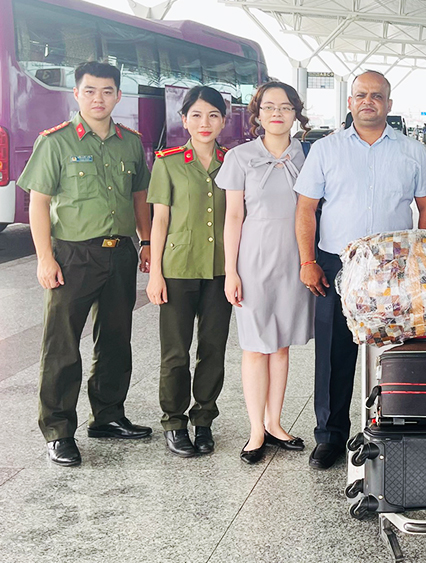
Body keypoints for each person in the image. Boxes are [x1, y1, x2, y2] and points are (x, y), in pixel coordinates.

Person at [294, 70, 426, 470]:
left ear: (389, 105)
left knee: (396, 351)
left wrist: (419, 258)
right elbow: (306, 208)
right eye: (361, 95)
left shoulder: (412, 151)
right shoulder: (325, 149)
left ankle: (396, 427)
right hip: (336, 263)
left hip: (394, 266)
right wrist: (308, 262)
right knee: (334, 352)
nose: (368, 101)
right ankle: (330, 437)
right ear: (350, 102)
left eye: (377, 96)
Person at [18, 61, 153, 467]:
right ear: (76, 94)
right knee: (62, 344)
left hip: (120, 252)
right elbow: (38, 203)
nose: (99, 98)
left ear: (118, 96)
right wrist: (45, 258)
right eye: (90, 91)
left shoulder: (130, 142)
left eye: (107, 91)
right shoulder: (55, 142)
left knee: (115, 338)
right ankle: (58, 430)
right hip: (72, 254)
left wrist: (146, 241)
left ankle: (108, 416)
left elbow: (139, 197)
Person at [219, 81, 314, 464]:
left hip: (294, 257)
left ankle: (275, 423)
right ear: (256, 114)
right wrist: (231, 270)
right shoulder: (240, 157)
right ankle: (256, 429)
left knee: (281, 344)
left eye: (286, 107)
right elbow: (233, 217)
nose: (277, 113)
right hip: (254, 258)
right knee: (256, 346)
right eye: (269, 106)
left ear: (296, 113)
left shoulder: (307, 155)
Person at [146, 87, 233, 457]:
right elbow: (160, 218)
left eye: (213, 115)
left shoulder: (233, 161)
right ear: (184, 120)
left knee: (213, 349)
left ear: (223, 121)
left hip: (220, 269)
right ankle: (174, 421)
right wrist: (155, 274)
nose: (204, 123)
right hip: (178, 268)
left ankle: (203, 420)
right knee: (176, 352)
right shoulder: (167, 162)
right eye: (196, 115)